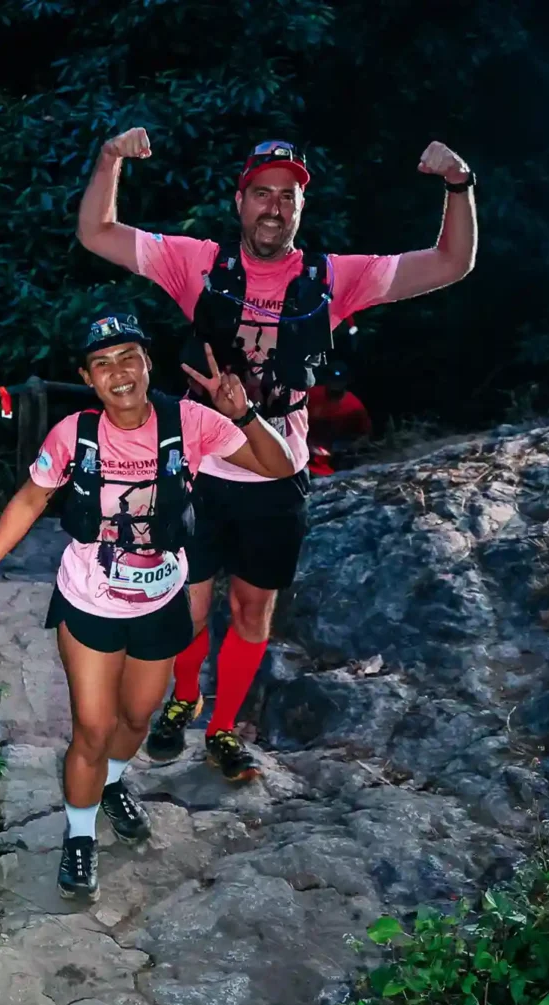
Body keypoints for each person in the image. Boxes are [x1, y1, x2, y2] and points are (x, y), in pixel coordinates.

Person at [77, 130, 477, 781]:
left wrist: (458, 184)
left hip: (277, 467)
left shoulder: (332, 278)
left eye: (287, 196)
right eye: (261, 193)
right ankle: (184, 698)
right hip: (199, 467)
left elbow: (450, 262)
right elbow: (97, 232)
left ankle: (223, 728)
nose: (273, 206)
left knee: (251, 610)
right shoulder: (196, 264)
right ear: (239, 202)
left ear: (300, 208)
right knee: (187, 604)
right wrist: (109, 158)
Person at [0, 313, 294, 901]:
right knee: (93, 726)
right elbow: (30, 499)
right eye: (102, 363)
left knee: (136, 718)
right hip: (89, 599)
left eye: (128, 356)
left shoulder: (190, 422)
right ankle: (79, 836)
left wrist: (243, 415)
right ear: (88, 378)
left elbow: (279, 466)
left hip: (161, 600)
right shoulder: (74, 434)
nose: (118, 372)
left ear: (147, 363)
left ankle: (110, 784)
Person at [307, 362, 372, 476]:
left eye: (339, 380)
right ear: (326, 379)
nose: (335, 384)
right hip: (307, 449)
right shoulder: (311, 395)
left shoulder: (354, 406)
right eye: (332, 379)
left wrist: (353, 446)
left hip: (337, 455)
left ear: (346, 381)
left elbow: (366, 434)